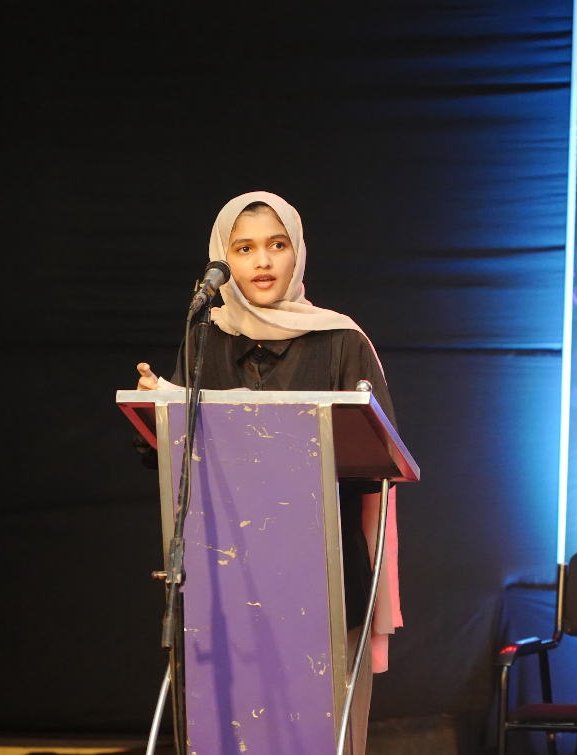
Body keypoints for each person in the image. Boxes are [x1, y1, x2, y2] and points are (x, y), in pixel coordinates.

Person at [135, 191, 402, 751]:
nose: (262, 261)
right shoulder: (204, 337)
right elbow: (175, 459)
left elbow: (379, 460)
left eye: (277, 245)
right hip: (222, 580)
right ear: (223, 257)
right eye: (244, 248)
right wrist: (162, 409)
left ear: (297, 252)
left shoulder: (341, 340)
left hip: (324, 580)